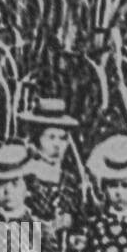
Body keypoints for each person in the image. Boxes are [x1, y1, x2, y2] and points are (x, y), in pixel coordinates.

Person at [20, 97, 87, 228]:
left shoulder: (70, 179)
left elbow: (79, 220)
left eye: (62, 138)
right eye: (51, 137)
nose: (57, 145)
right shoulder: (25, 176)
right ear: (37, 139)